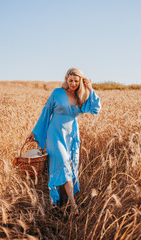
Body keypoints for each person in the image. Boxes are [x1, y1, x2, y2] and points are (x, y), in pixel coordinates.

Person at [25, 68, 101, 215]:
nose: (73, 83)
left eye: (76, 81)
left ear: (80, 81)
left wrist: (90, 89)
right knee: (64, 165)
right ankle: (74, 207)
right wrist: (34, 132)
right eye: (70, 80)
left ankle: (61, 205)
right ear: (66, 79)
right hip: (55, 135)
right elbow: (46, 113)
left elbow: (95, 108)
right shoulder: (57, 93)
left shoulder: (82, 96)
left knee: (70, 170)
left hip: (71, 136)